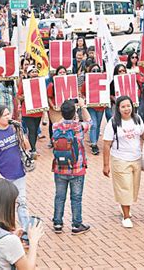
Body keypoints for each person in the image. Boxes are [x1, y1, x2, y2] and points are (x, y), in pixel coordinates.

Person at [0, 105, 32, 244]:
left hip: (19, 174)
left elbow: (27, 147)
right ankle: (5, 235)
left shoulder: (14, 128)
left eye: (8, 114)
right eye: (5, 115)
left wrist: (21, 134)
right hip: (3, 178)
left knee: (22, 203)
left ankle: (25, 233)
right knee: (4, 207)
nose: (8, 117)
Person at [0, 179, 44, 269]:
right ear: (6, 207)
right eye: (14, 203)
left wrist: (10, 236)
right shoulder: (10, 241)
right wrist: (33, 241)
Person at [102, 95, 144, 228]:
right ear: (118, 108)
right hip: (120, 159)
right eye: (123, 107)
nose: (126, 109)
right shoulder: (113, 123)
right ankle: (126, 217)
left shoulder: (137, 119)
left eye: (128, 106)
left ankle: (125, 206)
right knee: (124, 187)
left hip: (136, 158)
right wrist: (106, 165)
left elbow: (143, 135)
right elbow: (106, 144)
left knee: (133, 187)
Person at [52, 99, 92, 235]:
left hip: (59, 167)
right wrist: (83, 106)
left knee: (59, 196)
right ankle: (76, 224)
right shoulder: (78, 126)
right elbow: (90, 121)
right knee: (76, 197)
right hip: (77, 167)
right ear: (74, 113)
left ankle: (57, 223)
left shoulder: (56, 126)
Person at [17, 65, 44, 157]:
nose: (35, 73)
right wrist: (24, 96)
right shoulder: (24, 83)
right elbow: (19, 96)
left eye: (36, 71)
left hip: (38, 111)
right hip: (27, 111)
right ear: (28, 74)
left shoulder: (41, 83)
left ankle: (33, 148)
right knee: (31, 129)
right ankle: (33, 149)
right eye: (32, 72)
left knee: (35, 130)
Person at [81, 64, 105, 155]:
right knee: (93, 124)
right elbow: (82, 93)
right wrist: (85, 99)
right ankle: (94, 144)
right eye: (93, 70)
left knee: (98, 125)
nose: (96, 72)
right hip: (91, 106)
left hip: (101, 107)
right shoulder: (86, 83)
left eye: (97, 70)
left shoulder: (103, 81)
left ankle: (95, 141)